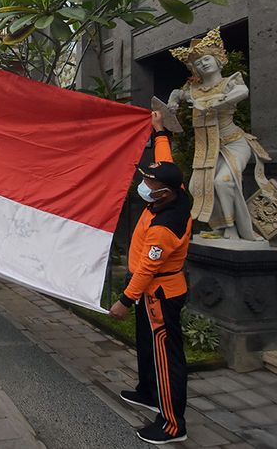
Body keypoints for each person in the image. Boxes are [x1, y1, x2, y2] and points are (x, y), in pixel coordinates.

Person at [109, 110, 191, 444]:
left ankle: (172, 425)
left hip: (159, 293)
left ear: (165, 193)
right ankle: (147, 390)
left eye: (150, 184)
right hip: (151, 292)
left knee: (166, 356)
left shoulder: (165, 227)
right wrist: (160, 133)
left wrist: (125, 300)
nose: (144, 186)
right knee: (146, 344)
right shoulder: (174, 190)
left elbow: (147, 269)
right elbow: (165, 163)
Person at [167, 27, 269, 241]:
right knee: (197, 186)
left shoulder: (229, 82)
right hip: (208, 148)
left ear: (218, 59)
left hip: (234, 143)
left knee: (223, 182)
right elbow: (178, 93)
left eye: (206, 59)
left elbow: (242, 91)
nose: (203, 64)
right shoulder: (194, 90)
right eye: (198, 63)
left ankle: (233, 230)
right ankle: (221, 228)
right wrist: (173, 102)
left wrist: (221, 100)